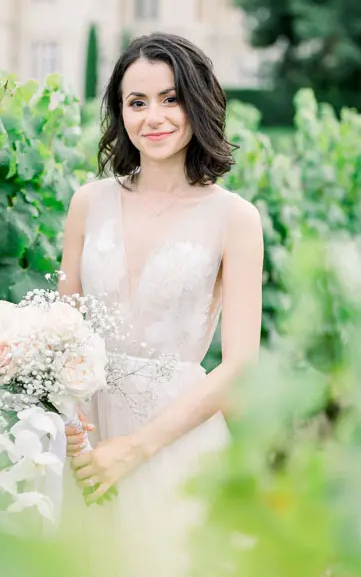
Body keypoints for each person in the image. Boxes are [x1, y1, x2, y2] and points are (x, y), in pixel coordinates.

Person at [59, 32, 263, 575]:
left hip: (174, 437)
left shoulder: (234, 218)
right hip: (86, 439)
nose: (154, 117)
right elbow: (64, 334)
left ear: (197, 103)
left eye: (171, 98)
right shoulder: (89, 203)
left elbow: (240, 364)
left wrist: (134, 450)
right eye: (137, 102)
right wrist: (79, 439)